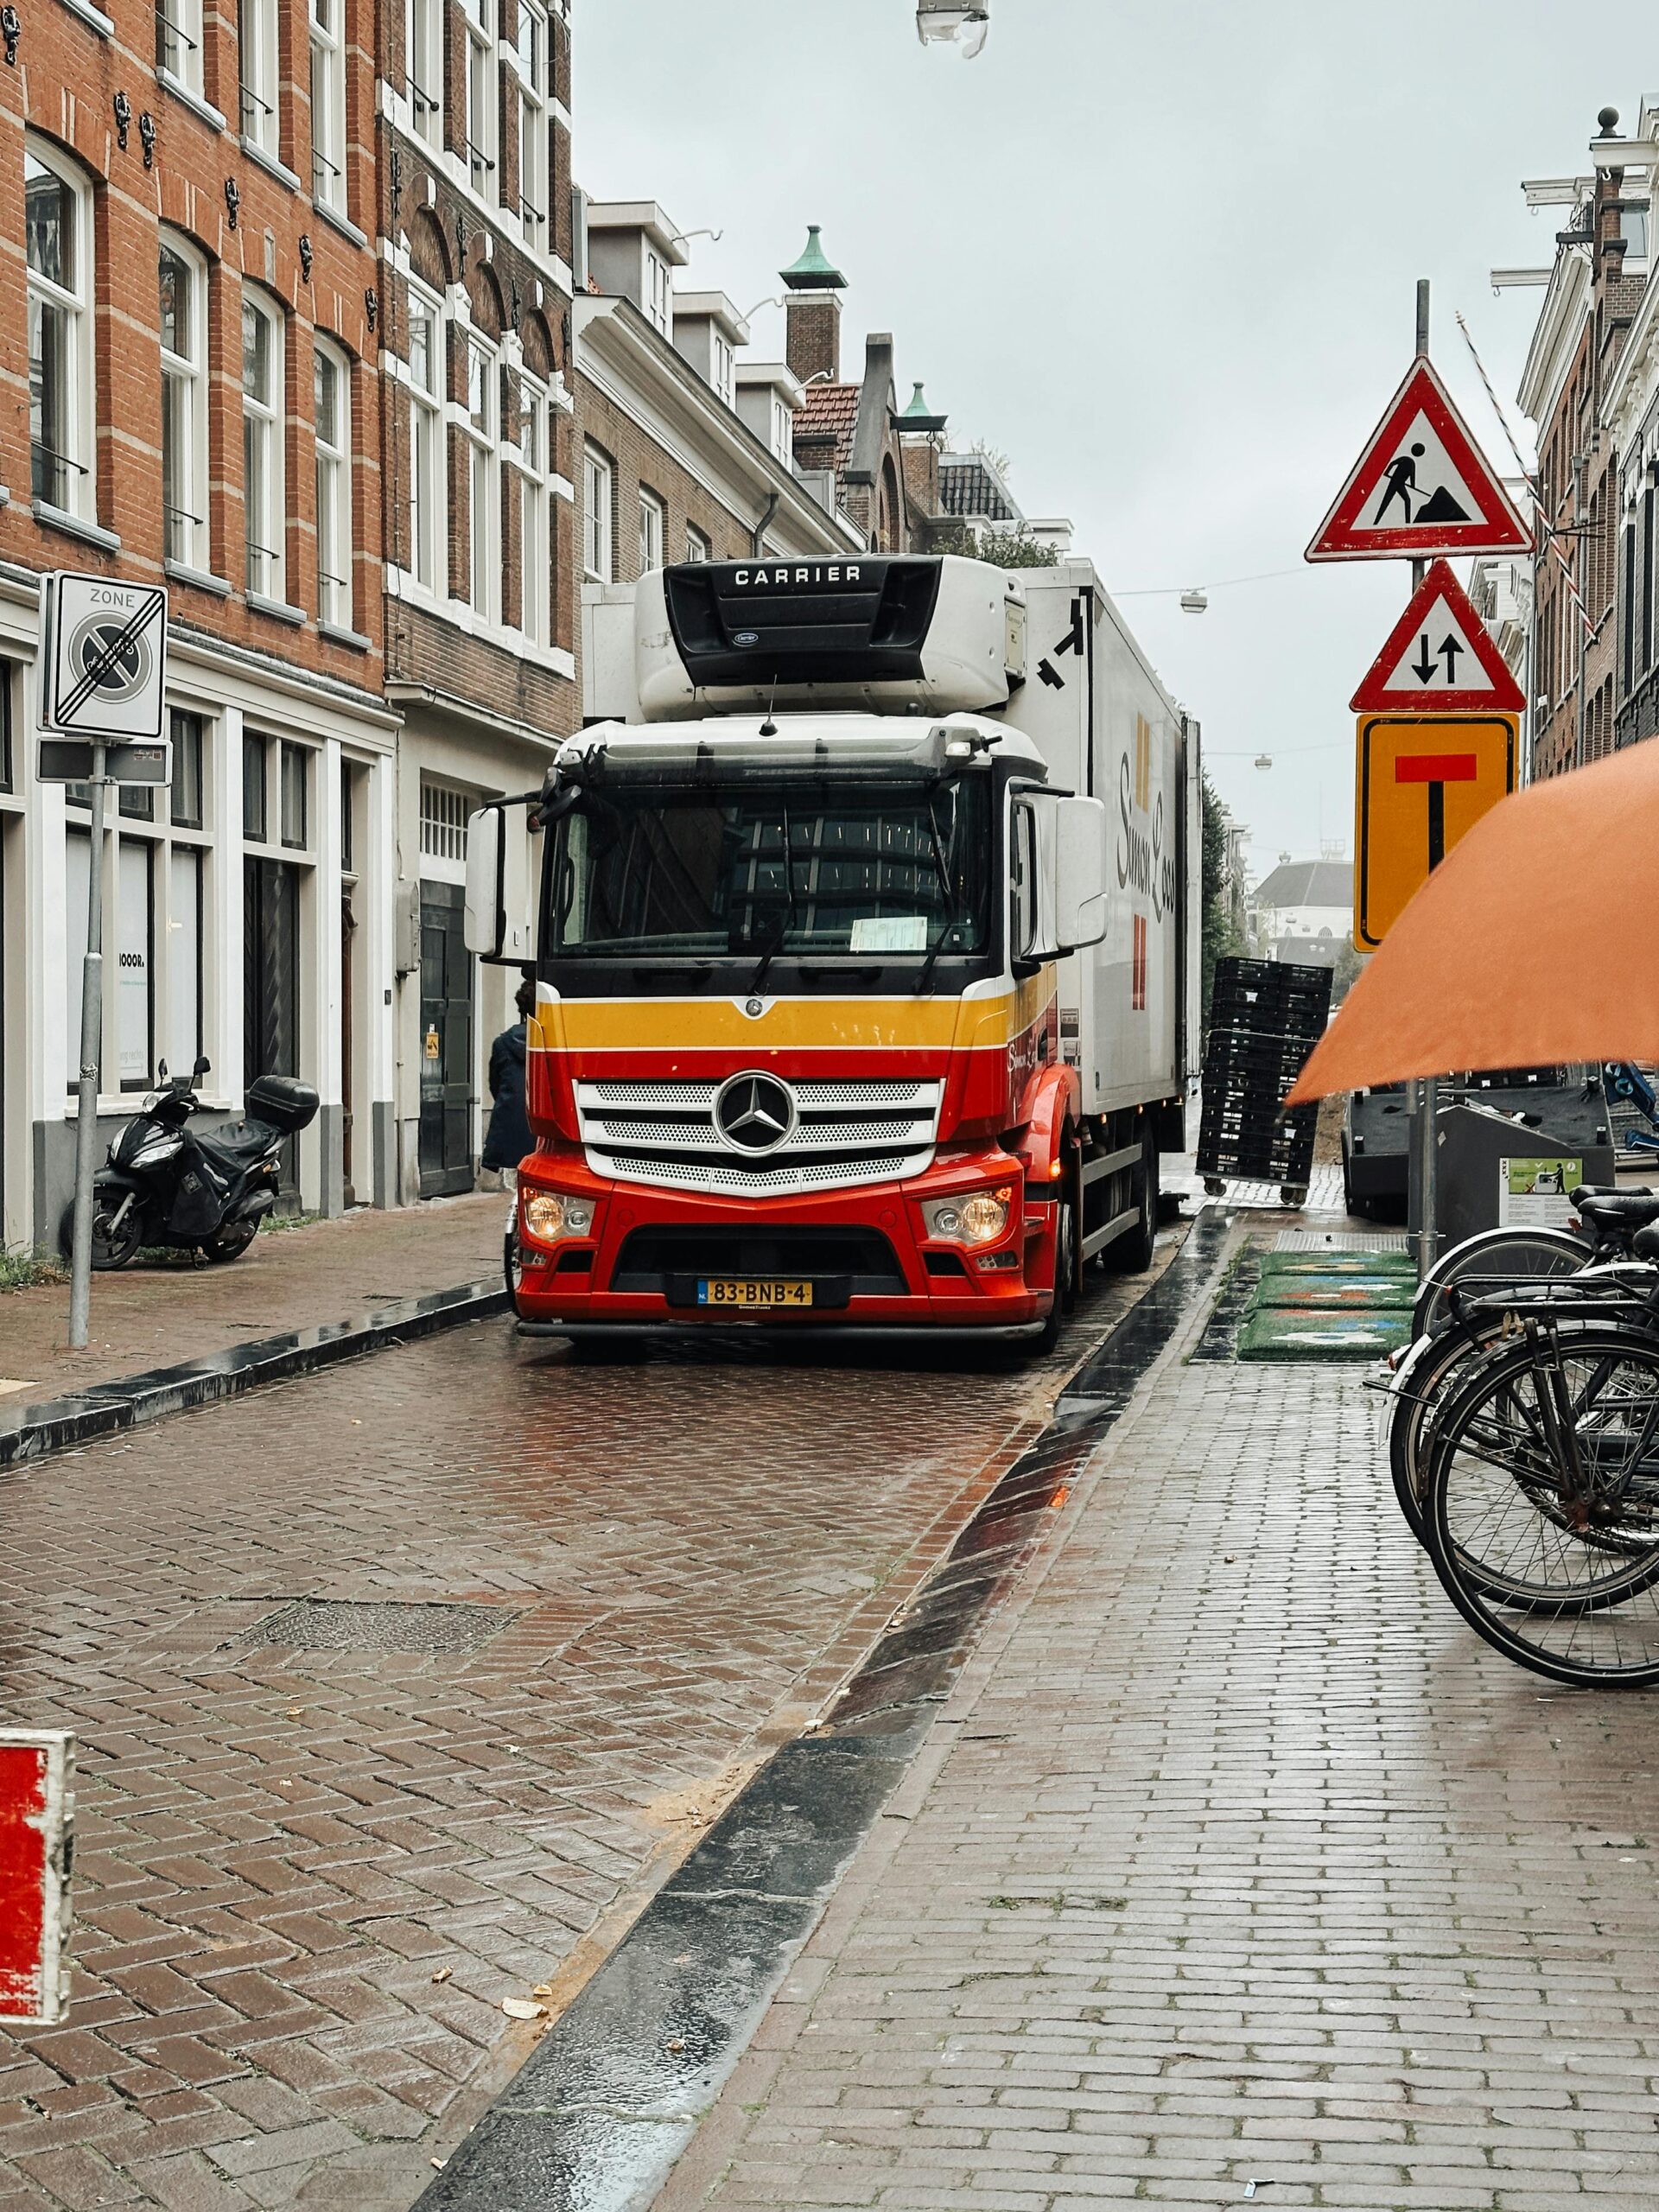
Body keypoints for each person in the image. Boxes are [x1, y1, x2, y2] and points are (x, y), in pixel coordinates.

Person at [482, 976, 536, 1202]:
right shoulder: (555, 1041)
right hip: (543, 1127)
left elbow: (495, 1083)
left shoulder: (502, 1043)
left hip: (511, 1123)